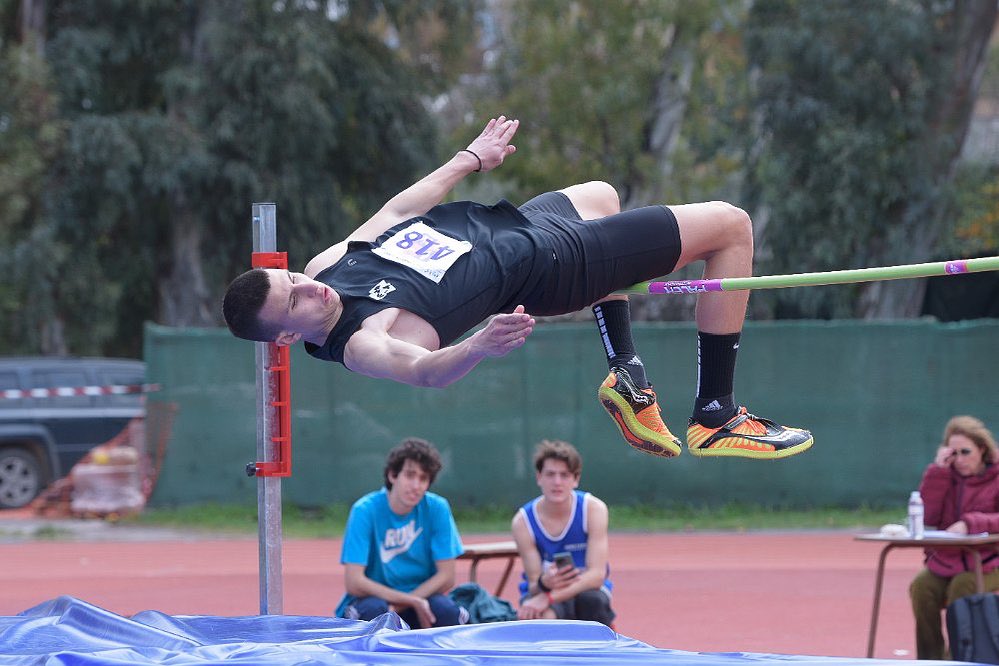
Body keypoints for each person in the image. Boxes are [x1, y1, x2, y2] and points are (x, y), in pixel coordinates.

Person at [222, 116, 812, 460]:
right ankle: (716, 414)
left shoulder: (326, 266)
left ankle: (627, 373)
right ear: (287, 338)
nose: (310, 289)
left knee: (602, 194)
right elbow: (425, 372)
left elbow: (398, 211)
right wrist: (477, 347)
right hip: (555, 264)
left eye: (294, 279)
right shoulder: (360, 340)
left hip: (521, 223)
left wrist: (469, 158)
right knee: (732, 225)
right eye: (295, 301)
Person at [335, 437, 468, 629]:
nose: (416, 485)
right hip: (376, 601)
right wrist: (409, 601)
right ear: (392, 475)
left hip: (420, 599)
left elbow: (447, 576)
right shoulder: (364, 510)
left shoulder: (437, 508)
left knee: (446, 611)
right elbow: (354, 582)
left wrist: (406, 603)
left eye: (423, 478)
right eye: (410, 475)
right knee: (375, 610)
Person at [909, 415, 999, 660]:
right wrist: (938, 471)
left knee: (963, 586)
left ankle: (956, 660)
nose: (959, 459)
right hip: (948, 561)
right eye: (953, 453)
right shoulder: (946, 475)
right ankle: (929, 660)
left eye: (965, 452)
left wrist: (971, 523)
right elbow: (928, 515)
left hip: (990, 562)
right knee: (922, 586)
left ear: (982, 449)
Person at [510, 439, 614, 625]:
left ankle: (604, 639)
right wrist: (545, 583)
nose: (557, 482)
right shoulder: (522, 522)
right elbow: (533, 585)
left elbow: (596, 576)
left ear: (575, 479)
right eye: (550, 474)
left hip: (586, 589)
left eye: (564, 475)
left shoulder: (593, 510)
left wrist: (549, 598)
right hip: (545, 591)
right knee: (542, 617)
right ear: (539, 477)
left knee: (592, 601)